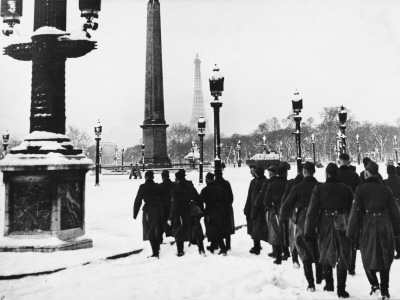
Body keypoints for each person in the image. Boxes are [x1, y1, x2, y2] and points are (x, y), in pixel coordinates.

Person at [347, 161, 400, 299]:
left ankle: (374, 284)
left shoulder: (360, 189)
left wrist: (351, 231)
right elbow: (394, 211)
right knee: (385, 257)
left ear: (366, 173)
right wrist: (397, 229)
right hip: (384, 223)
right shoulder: (385, 189)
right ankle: (385, 290)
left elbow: (355, 211)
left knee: (366, 255)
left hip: (367, 224)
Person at [305, 163, 353, 298]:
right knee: (342, 254)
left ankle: (329, 283)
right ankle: (341, 288)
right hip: (343, 222)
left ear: (327, 174)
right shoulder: (346, 189)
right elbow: (352, 209)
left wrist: (308, 230)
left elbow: (312, 211)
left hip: (325, 223)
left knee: (325, 251)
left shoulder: (319, 189)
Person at [280, 162, 323, 292]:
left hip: (302, 220)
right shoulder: (320, 186)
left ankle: (310, 283)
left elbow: (286, 205)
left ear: (304, 172)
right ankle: (320, 275)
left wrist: (282, 218)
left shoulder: (297, 187)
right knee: (318, 246)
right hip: (319, 219)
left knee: (304, 250)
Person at [168, 169, 204, 256]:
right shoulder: (190, 187)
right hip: (190, 210)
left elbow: (174, 204)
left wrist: (170, 217)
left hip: (179, 212)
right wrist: (199, 209)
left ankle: (180, 251)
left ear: (177, 179)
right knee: (194, 229)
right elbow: (198, 198)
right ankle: (201, 248)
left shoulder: (175, 189)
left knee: (179, 231)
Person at [337, 152, 361, 276]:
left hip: (338, 212)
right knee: (352, 240)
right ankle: (352, 266)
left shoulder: (337, 175)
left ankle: (341, 263)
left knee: (340, 239)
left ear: (340, 160)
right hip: (352, 210)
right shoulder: (355, 176)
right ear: (349, 161)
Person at [133, 171, 163, 258]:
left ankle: (155, 252)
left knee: (149, 230)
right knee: (157, 228)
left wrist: (135, 213)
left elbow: (138, 200)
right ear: (153, 177)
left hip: (148, 210)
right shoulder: (158, 186)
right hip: (158, 209)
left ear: (145, 177)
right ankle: (157, 248)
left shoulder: (143, 187)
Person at [264, 163, 288, 264]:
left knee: (277, 235)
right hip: (288, 212)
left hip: (275, 212)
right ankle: (287, 252)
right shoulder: (289, 184)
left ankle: (278, 257)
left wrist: (271, 208)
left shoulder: (272, 185)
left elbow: (266, 201)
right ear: (286, 173)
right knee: (286, 232)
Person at [200, 172, 229, 256]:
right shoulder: (220, 189)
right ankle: (213, 247)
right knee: (218, 229)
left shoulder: (205, 190)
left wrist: (202, 211)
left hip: (210, 212)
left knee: (214, 230)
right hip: (220, 211)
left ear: (207, 180)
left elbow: (200, 201)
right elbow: (226, 201)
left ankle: (223, 248)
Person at [281, 164, 304, 268]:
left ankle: (295, 258)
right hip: (306, 215)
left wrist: (283, 214)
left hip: (293, 214)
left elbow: (285, 200)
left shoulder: (291, 184)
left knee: (293, 236)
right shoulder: (312, 183)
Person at [214, 169, 235, 251]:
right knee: (227, 226)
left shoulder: (214, 184)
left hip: (217, 209)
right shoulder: (226, 183)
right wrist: (228, 204)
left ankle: (216, 244)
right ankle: (228, 245)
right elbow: (231, 196)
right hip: (226, 208)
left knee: (217, 226)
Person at [250, 165, 269, 255]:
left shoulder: (256, 183)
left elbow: (254, 198)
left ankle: (256, 247)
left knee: (256, 229)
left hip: (257, 208)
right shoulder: (266, 181)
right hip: (266, 208)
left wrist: (253, 211)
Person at [383, 164, 400, 260]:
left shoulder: (385, 182)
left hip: (391, 206)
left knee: (394, 228)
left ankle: (397, 249)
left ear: (388, 172)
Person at [244, 164, 257, 252]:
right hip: (256, 207)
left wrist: (247, 208)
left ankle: (256, 245)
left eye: (251, 171)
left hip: (254, 208)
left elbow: (250, 197)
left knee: (254, 227)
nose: (250, 173)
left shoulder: (254, 182)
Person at [160, 170, 174, 237]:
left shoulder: (160, 186)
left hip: (163, 207)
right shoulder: (173, 185)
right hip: (172, 206)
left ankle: (167, 234)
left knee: (164, 222)